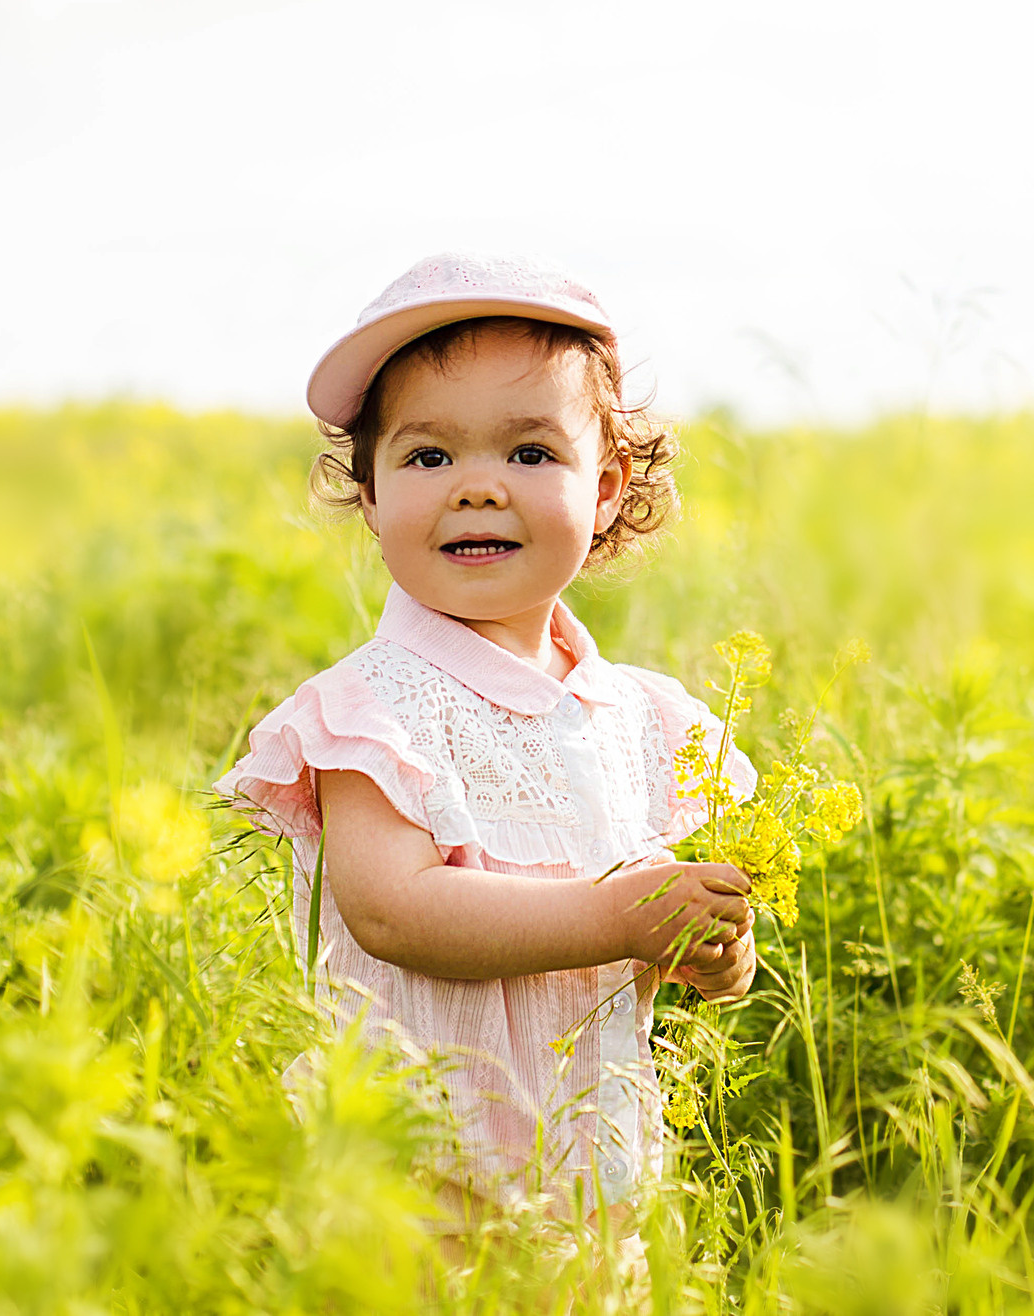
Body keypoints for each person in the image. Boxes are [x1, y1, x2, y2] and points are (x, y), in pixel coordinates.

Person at [215, 251, 757, 1239]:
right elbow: (397, 911)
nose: (476, 488)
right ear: (369, 494)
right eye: (428, 458)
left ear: (607, 487)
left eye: (529, 454)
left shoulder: (640, 717)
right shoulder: (370, 711)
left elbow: (648, 915)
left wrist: (703, 947)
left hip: (594, 1181)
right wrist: (617, 920)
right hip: (416, 1180)